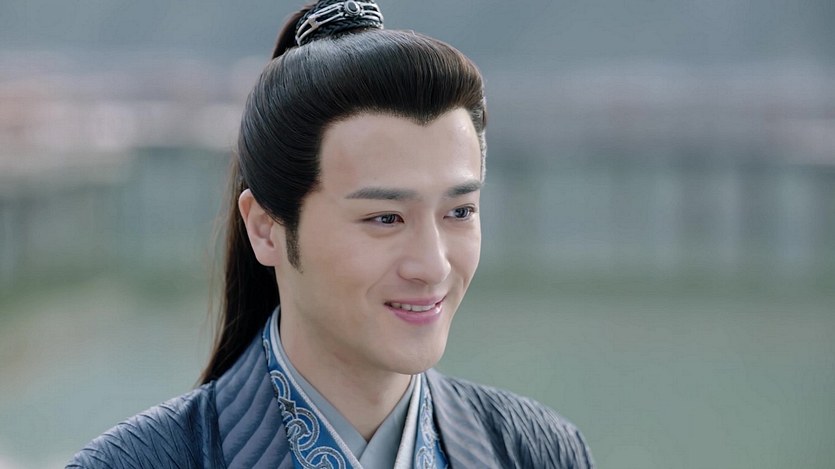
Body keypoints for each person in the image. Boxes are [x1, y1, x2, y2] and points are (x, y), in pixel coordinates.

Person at [67, 1, 594, 468]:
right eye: (385, 218)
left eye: (459, 212)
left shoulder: (539, 450)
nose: (432, 266)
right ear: (266, 228)